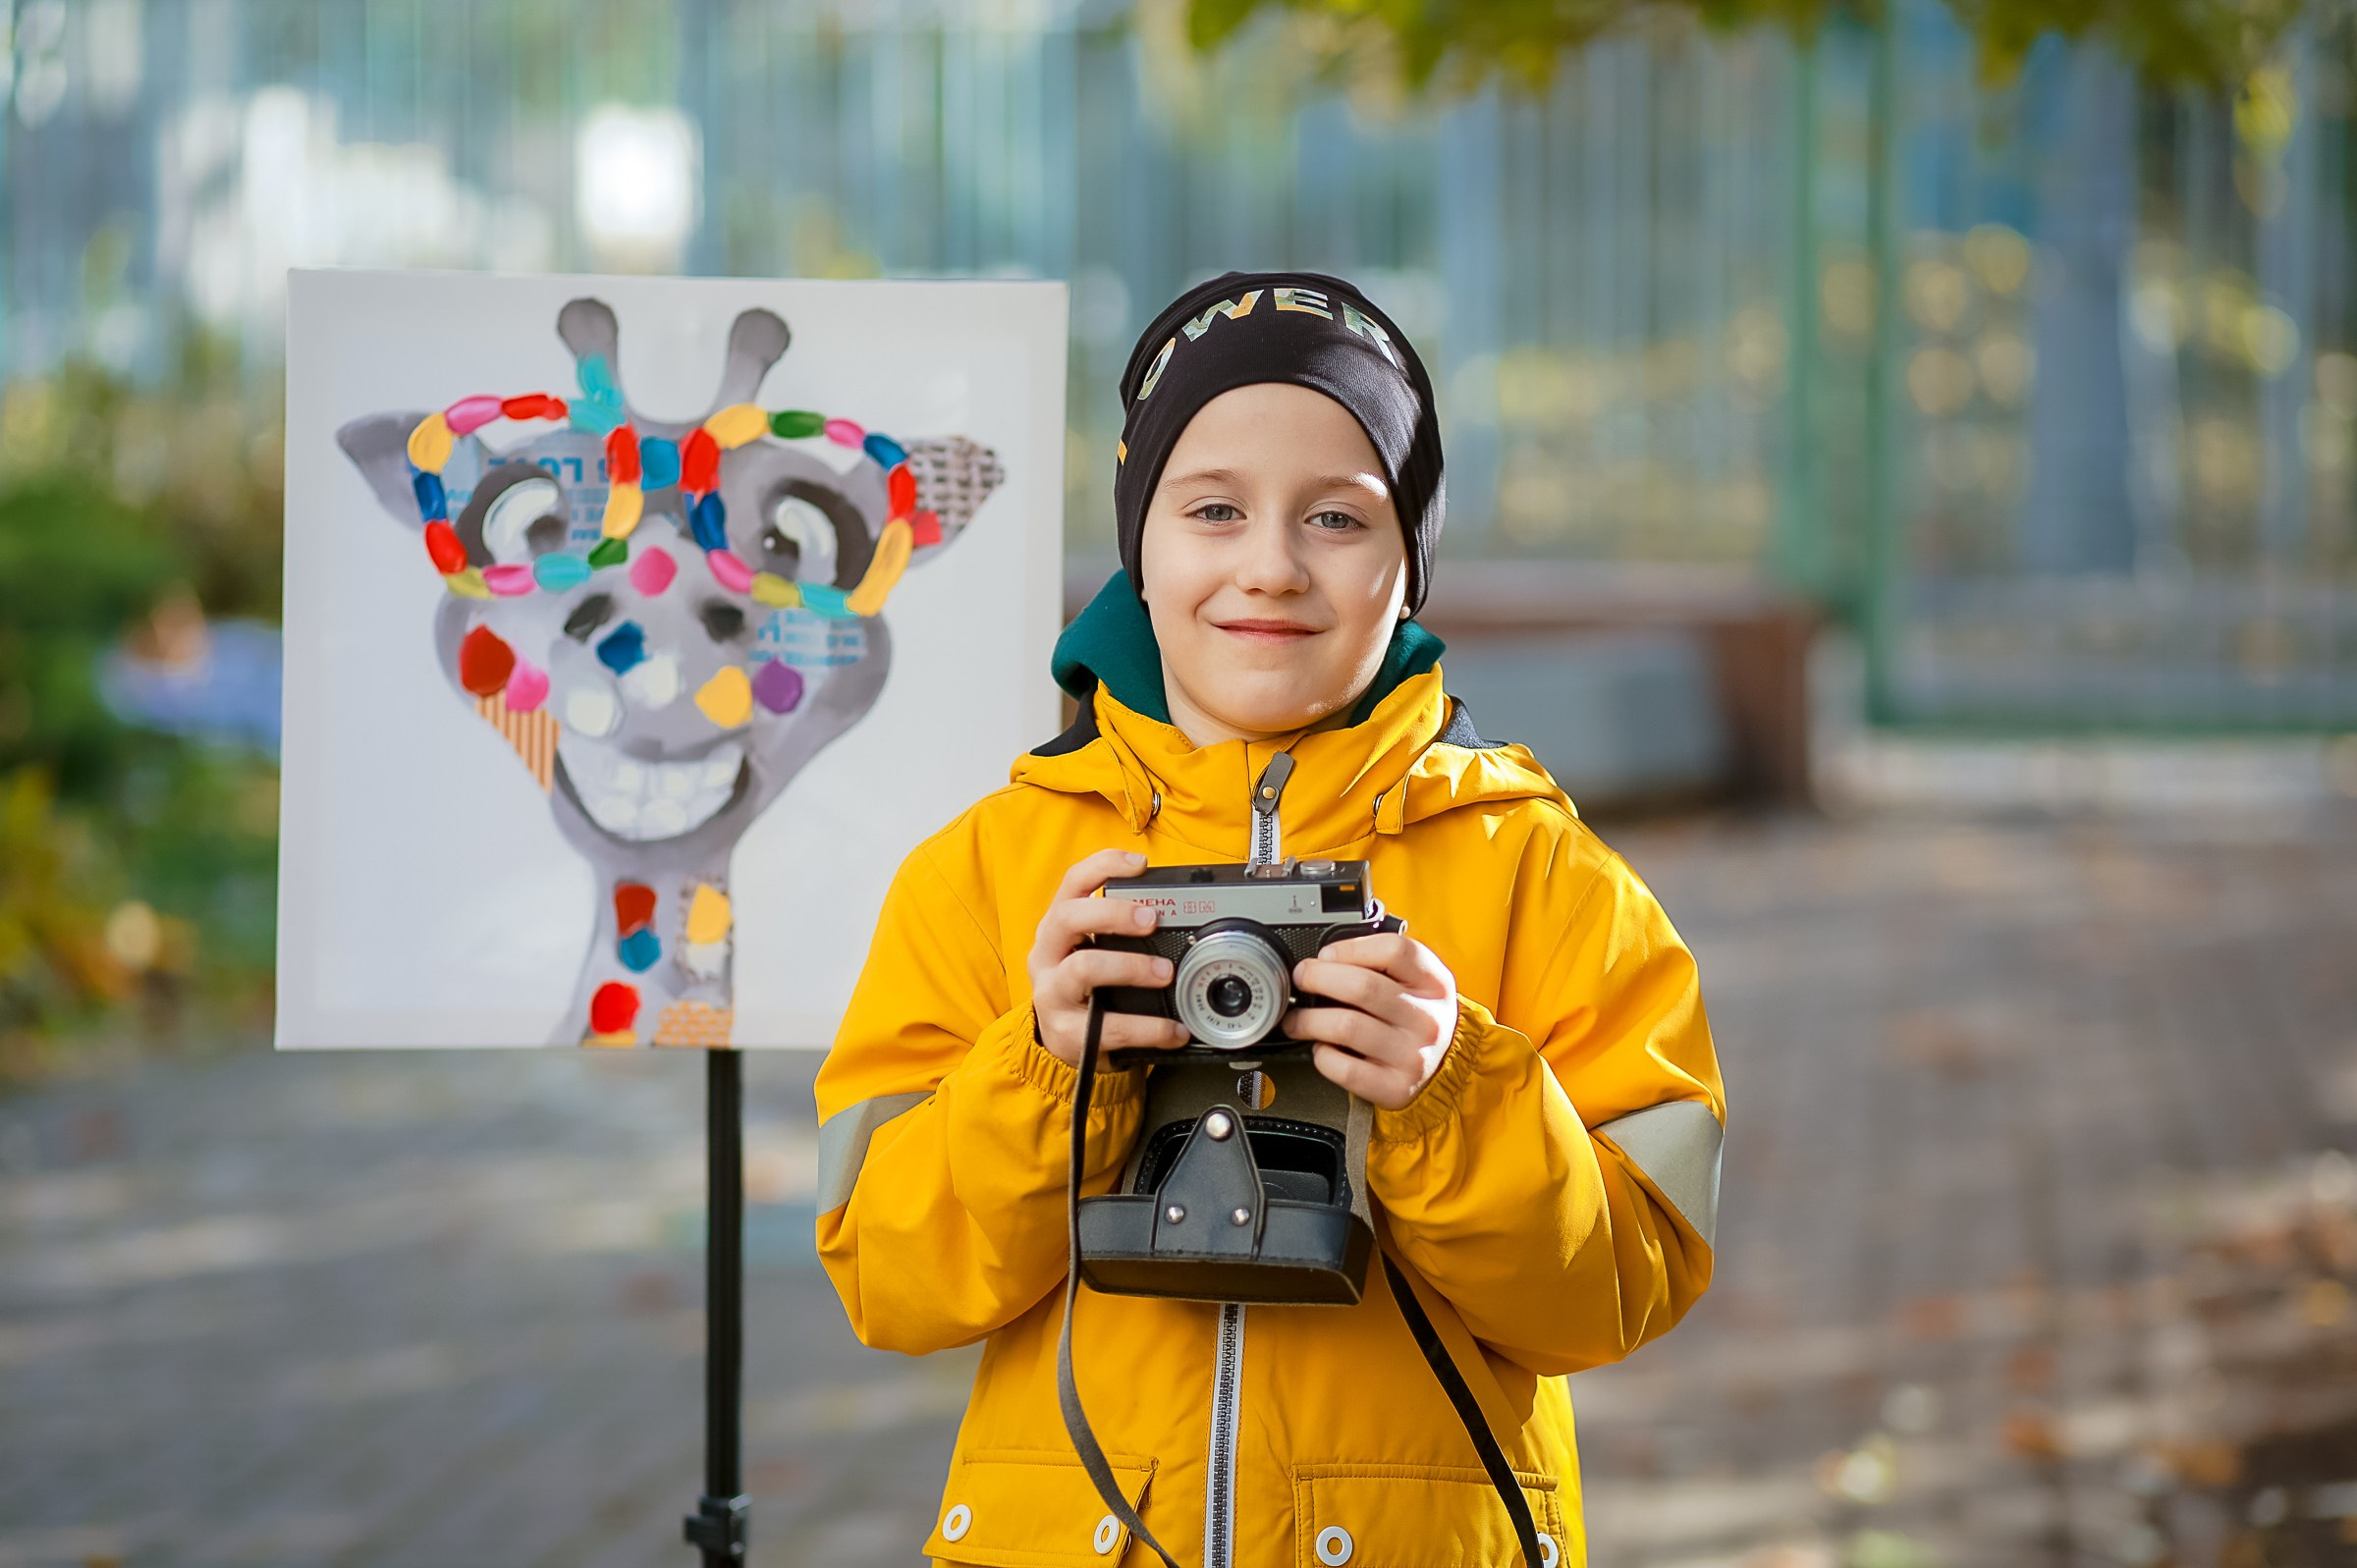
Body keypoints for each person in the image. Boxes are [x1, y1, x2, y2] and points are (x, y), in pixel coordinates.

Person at [814, 271, 1725, 1566]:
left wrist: (1450, 1087)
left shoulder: (1543, 872)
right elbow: (885, 1278)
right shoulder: (987, 872)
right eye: (1215, 509)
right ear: (1140, 545)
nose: (1271, 565)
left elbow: (1618, 1294)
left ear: (1412, 563)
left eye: (1339, 518)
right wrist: (1039, 1069)